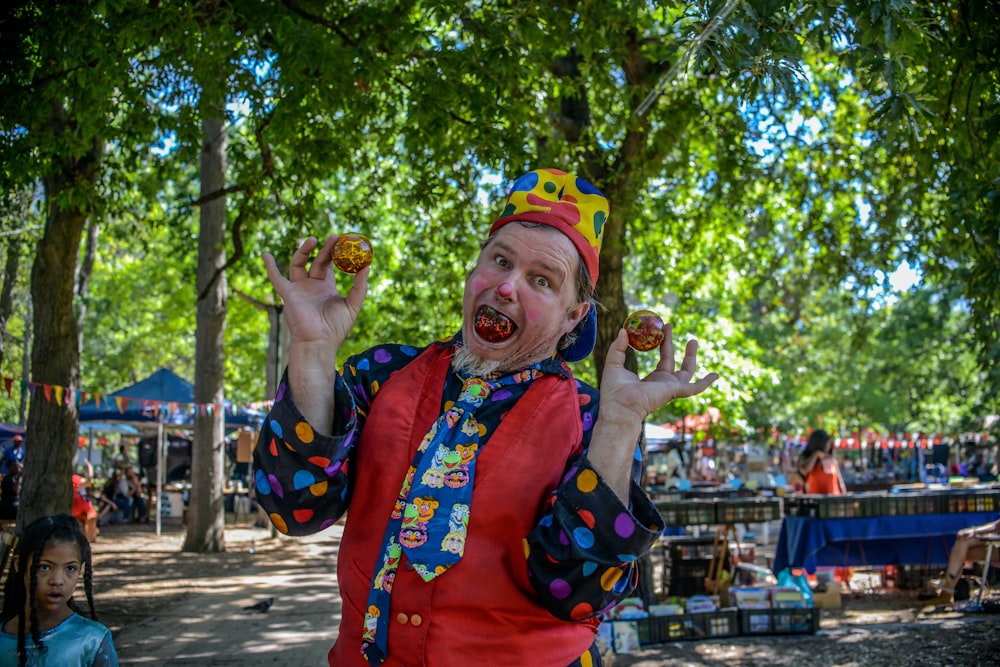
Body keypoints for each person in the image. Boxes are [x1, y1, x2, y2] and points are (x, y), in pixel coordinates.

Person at [254, 167, 719, 666]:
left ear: (573, 317)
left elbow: (578, 593)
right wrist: (312, 350)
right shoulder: (382, 374)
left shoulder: (593, 417)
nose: (506, 287)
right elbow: (294, 509)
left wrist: (622, 424)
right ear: (474, 272)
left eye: (541, 280)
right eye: (500, 261)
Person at [0, 513, 118, 666]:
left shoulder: (92, 640)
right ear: (19, 565)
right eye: (45, 567)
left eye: (70, 568)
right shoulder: (3, 639)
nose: (57, 581)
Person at [929, 517, 1000, 605]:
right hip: (996, 542)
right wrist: (974, 531)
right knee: (963, 542)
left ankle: (947, 588)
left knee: (960, 554)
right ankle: (948, 584)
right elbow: (996, 525)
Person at [796, 429, 847, 495]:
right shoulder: (805, 457)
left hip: (833, 500)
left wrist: (845, 496)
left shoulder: (832, 460)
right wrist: (816, 454)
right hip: (814, 501)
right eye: (827, 443)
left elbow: (840, 482)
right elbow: (804, 470)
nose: (828, 446)